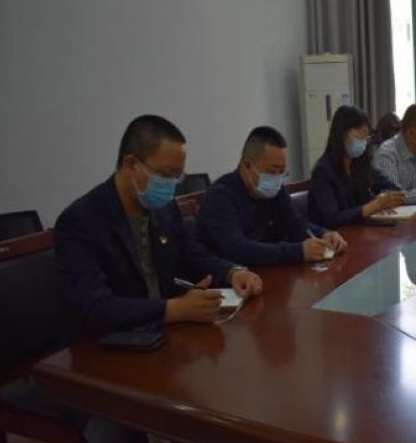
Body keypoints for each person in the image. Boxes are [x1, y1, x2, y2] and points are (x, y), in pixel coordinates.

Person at [55, 115, 263, 336]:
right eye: (166, 174)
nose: (171, 185)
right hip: (115, 341)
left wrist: (232, 272)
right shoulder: (81, 221)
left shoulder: (164, 208)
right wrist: (174, 309)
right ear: (131, 164)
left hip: (165, 334)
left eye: (178, 176)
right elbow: (93, 308)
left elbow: (193, 255)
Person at [196, 126, 347, 266]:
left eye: (281, 172)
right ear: (247, 166)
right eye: (272, 171)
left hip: (268, 272)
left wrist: (324, 234)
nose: (277, 178)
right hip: (229, 280)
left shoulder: (276, 190)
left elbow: (296, 224)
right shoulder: (219, 197)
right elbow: (237, 249)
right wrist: (298, 251)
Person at [308, 105, 405, 228]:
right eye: (359, 137)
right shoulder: (323, 172)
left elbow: (392, 188)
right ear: (341, 134)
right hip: (335, 236)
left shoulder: (359, 165)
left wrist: (382, 198)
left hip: (361, 231)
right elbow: (332, 218)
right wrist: (373, 206)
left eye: (366, 138)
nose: (363, 143)